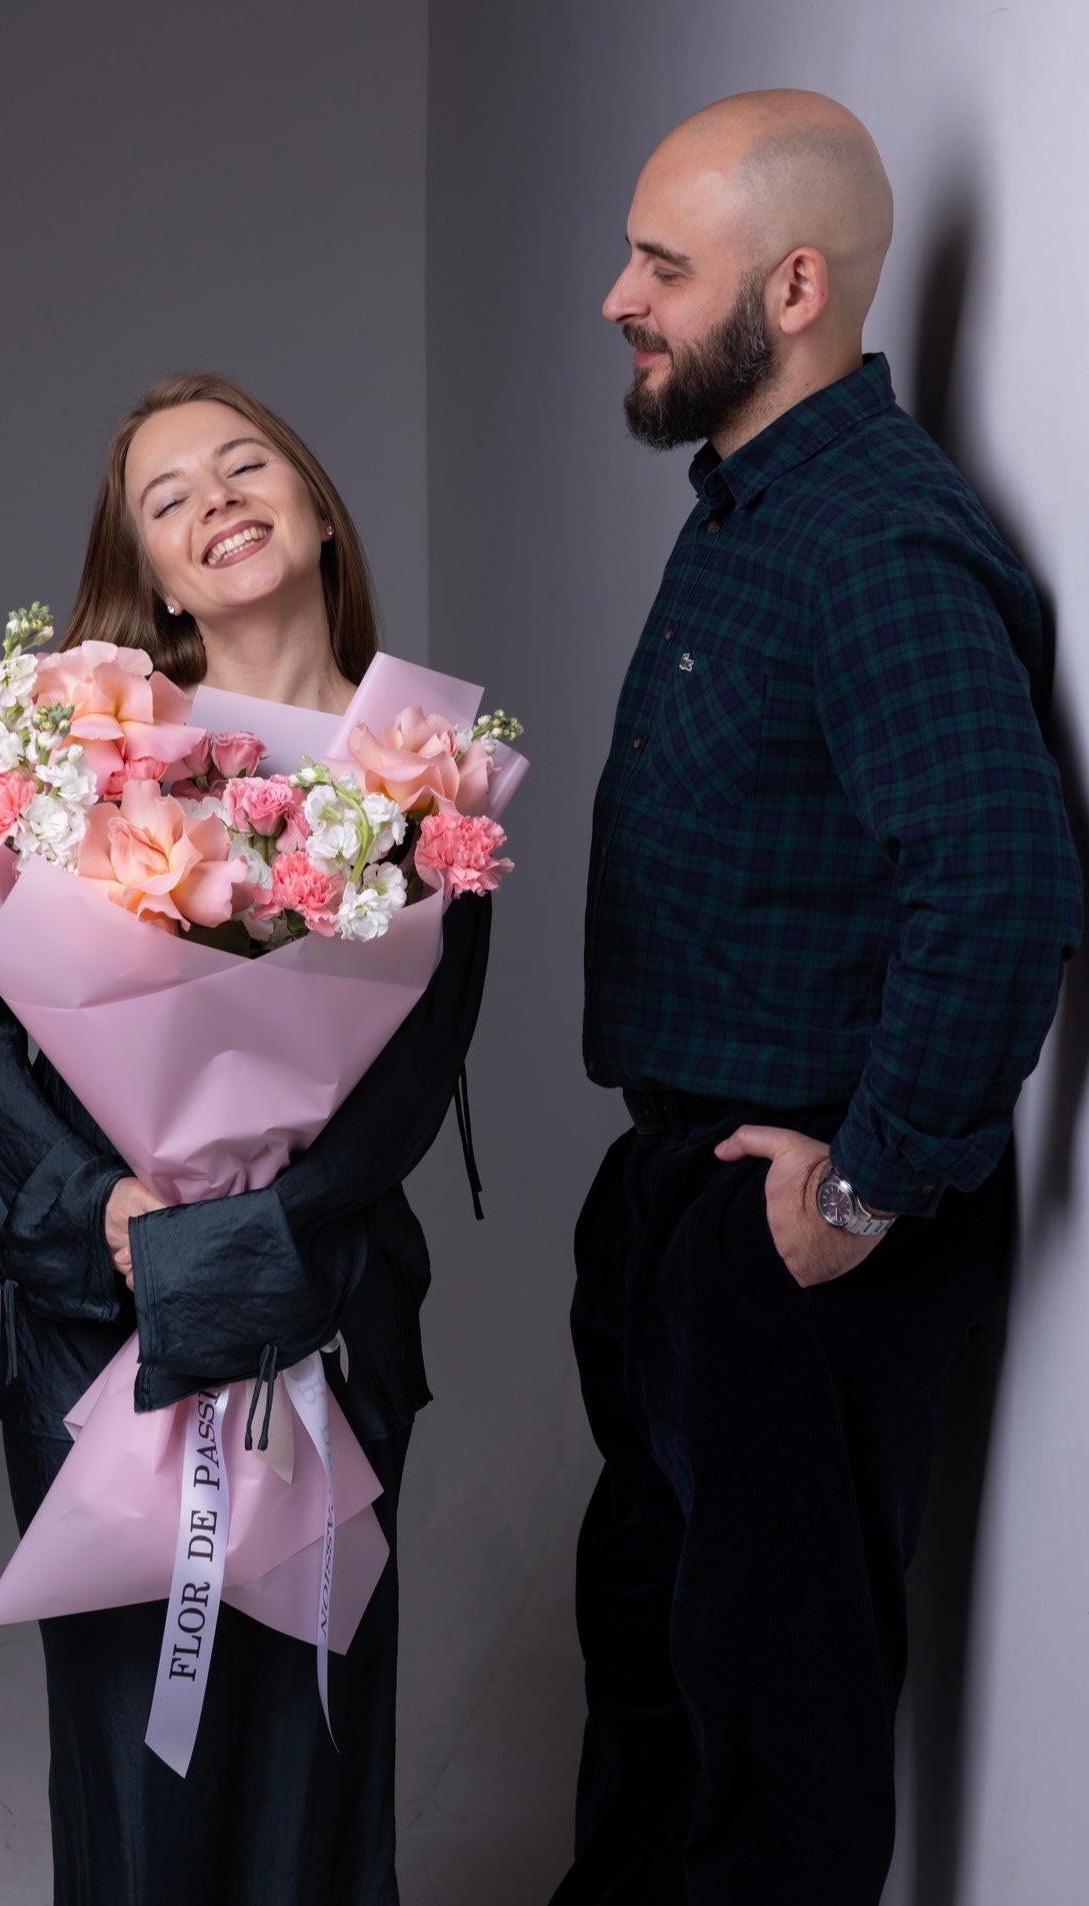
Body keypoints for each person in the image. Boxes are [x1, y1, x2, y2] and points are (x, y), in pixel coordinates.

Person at [554, 90, 1082, 1906]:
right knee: (653, 1657)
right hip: (690, 1185)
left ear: (791, 288)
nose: (618, 297)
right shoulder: (755, 500)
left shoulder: (876, 538)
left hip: (799, 1222)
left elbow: (1005, 874)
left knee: (774, 1728)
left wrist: (864, 1178)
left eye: (660, 264)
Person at [0, 374, 492, 1906]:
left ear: (314, 507)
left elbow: (417, 1055)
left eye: (247, 466)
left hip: (326, 1317)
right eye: (168, 500)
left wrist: (263, 1235)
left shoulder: (427, 773)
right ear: (153, 574)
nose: (216, 501)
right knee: (134, 1749)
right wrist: (105, 1207)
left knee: (316, 1735)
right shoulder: (81, 741)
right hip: (104, 1323)